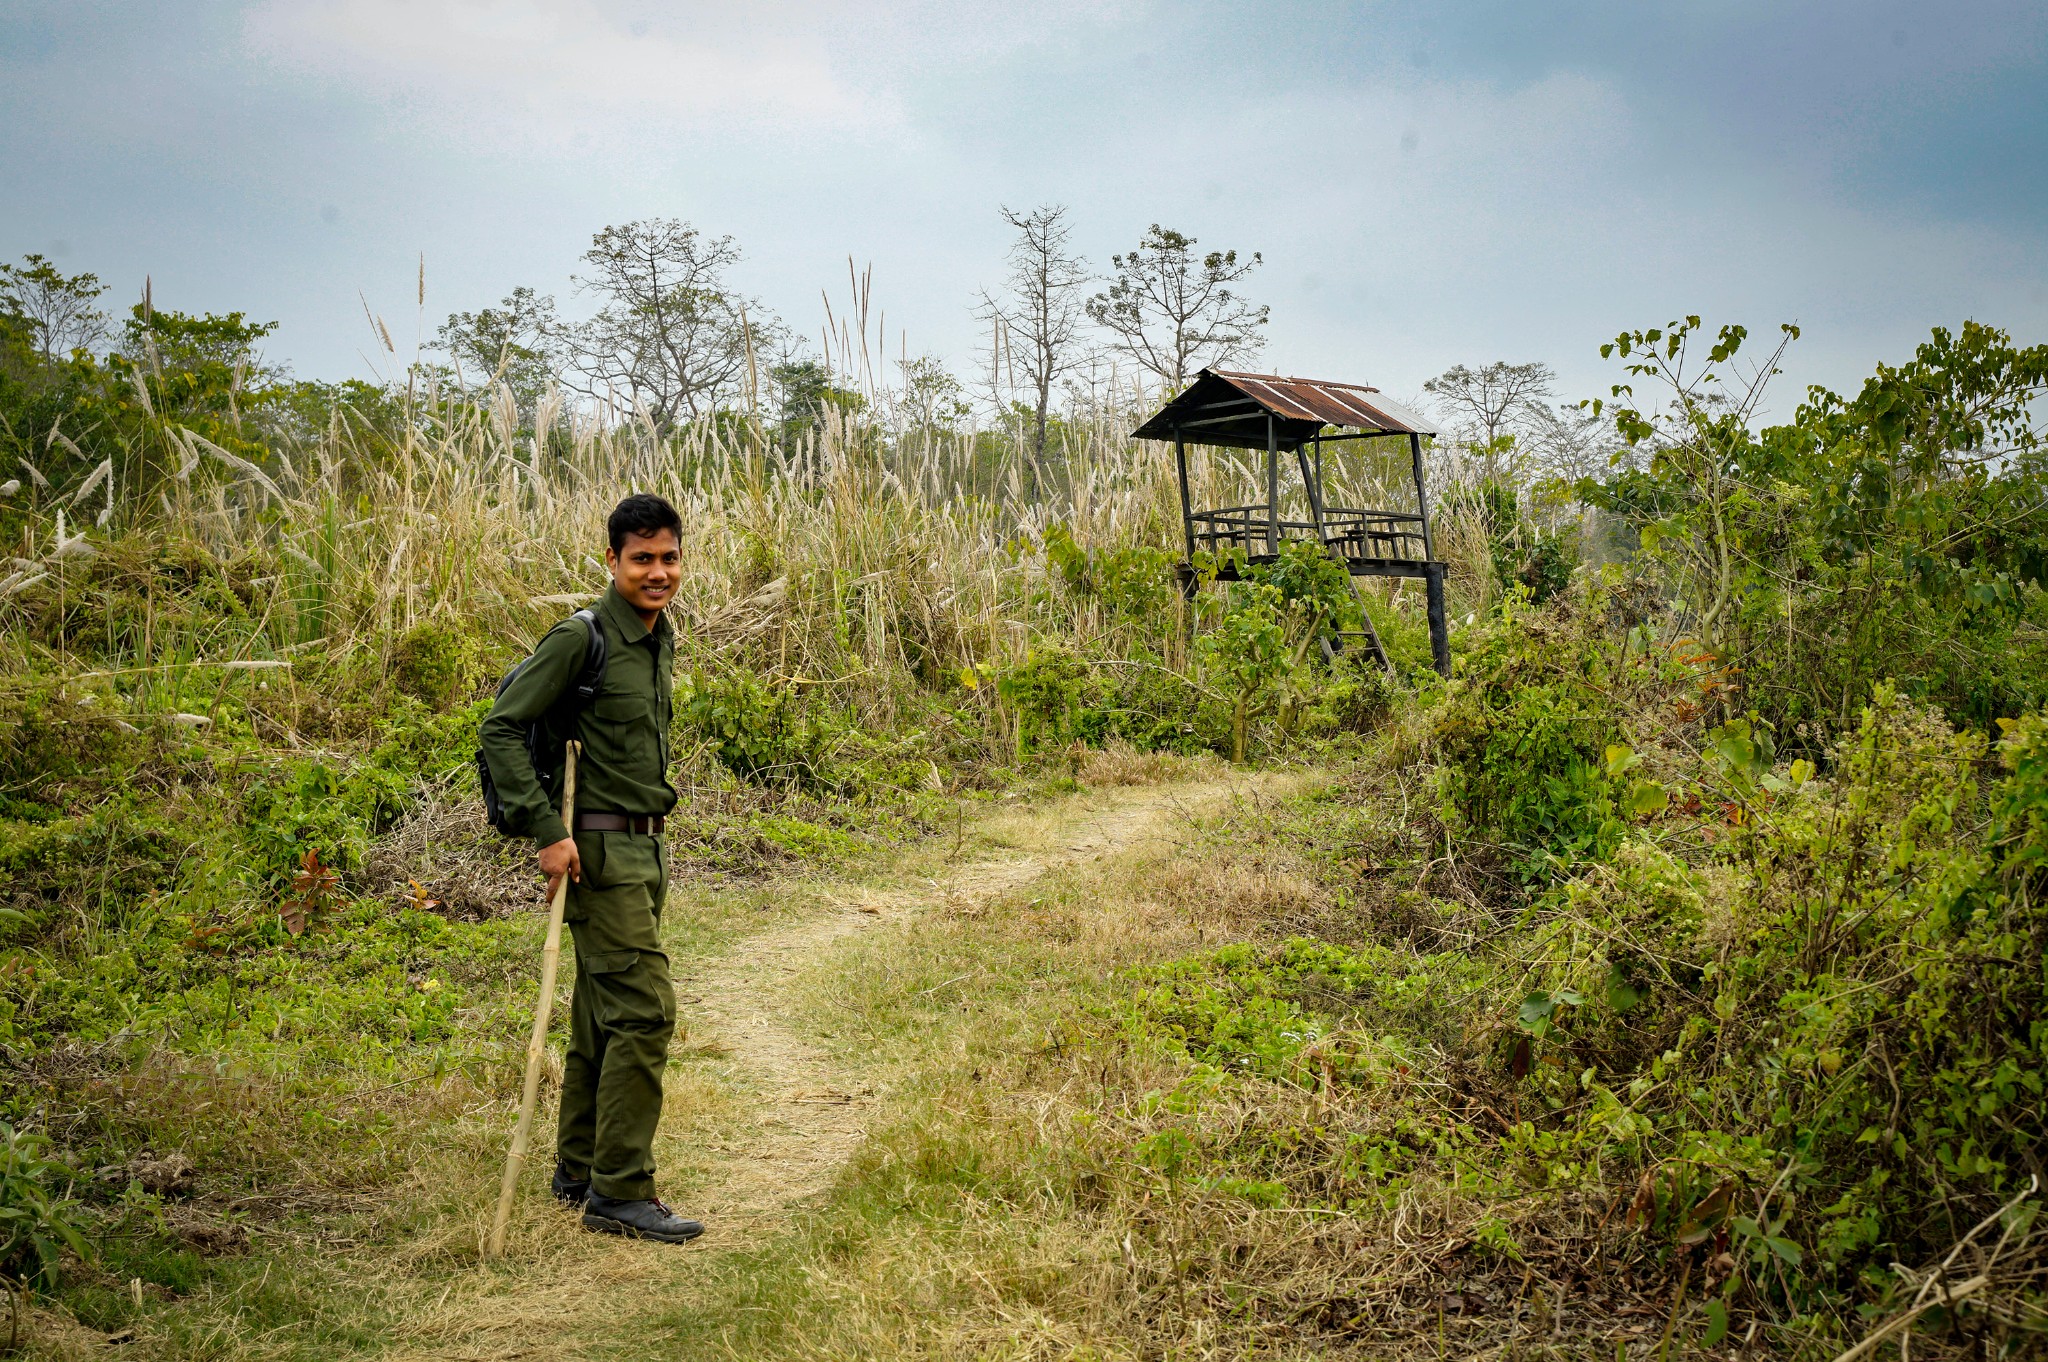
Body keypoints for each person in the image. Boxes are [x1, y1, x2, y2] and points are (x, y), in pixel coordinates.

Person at [477, 493, 704, 1244]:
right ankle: (620, 1189)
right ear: (611, 561)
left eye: (668, 557)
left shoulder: (657, 637)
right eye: (642, 558)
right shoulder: (581, 638)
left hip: (648, 849)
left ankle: (578, 1168)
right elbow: (502, 727)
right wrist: (546, 832)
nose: (658, 571)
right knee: (644, 1012)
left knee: (602, 1013)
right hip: (597, 854)